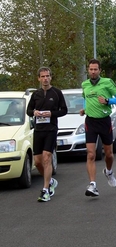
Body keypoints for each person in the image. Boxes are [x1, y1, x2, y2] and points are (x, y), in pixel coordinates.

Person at [80, 59, 116, 197]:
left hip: (104, 121)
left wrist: (108, 101)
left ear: (100, 70)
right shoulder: (85, 84)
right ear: (88, 70)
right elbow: (85, 98)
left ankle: (108, 171)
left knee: (109, 154)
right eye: (91, 69)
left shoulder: (107, 83)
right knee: (91, 154)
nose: (93, 72)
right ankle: (93, 184)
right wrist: (84, 108)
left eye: (95, 69)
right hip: (90, 122)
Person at [27, 67, 67, 202]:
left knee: (46, 157)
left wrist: (52, 114)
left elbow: (64, 110)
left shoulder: (56, 93)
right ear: (39, 78)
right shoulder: (36, 94)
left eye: (47, 76)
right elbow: (28, 110)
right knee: (38, 161)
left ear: (51, 77)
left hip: (51, 129)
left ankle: (45, 190)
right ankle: (50, 181)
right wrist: (34, 113)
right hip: (38, 130)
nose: (45, 79)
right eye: (42, 76)